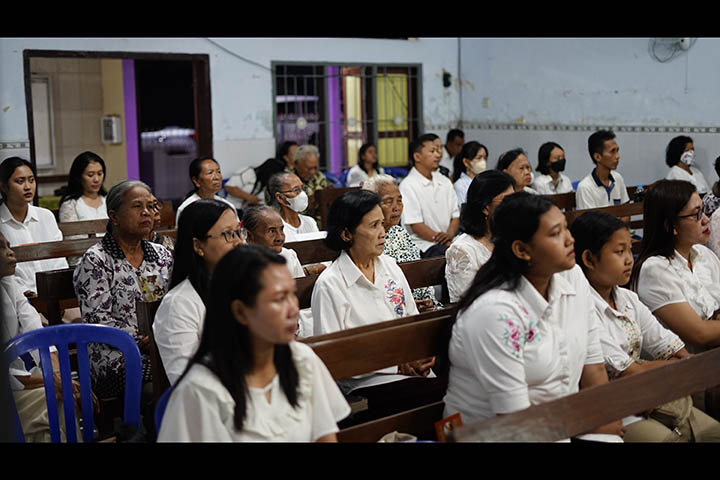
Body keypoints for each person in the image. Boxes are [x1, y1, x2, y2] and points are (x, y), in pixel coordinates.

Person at [442, 192, 624, 442]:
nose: (570, 240)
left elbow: (593, 366)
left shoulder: (573, 278)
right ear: (522, 250)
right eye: (555, 233)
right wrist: (589, 426)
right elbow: (516, 420)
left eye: (566, 229)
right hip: (492, 434)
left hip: (560, 425)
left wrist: (602, 419)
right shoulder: (495, 313)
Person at [157, 245, 351, 442]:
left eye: (292, 294)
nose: (293, 309)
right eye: (279, 298)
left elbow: (325, 437)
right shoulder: (201, 391)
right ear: (241, 312)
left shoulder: (302, 360)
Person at [571, 210, 720, 442]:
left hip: (652, 394)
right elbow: (631, 373)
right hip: (616, 407)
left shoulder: (627, 299)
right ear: (589, 259)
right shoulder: (582, 307)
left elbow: (676, 350)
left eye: (630, 249)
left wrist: (660, 367)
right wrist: (664, 367)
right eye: (619, 252)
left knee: (713, 433)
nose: (630, 259)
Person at [310, 190, 442, 418]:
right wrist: (396, 365)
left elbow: (412, 322)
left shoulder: (390, 267)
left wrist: (422, 355)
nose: (383, 233)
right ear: (346, 234)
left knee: (451, 391)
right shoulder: (331, 284)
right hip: (366, 380)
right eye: (373, 226)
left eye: (382, 224)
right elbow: (333, 358)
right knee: (434, 399)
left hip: (409, 371)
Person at [73, 180, 173, 404]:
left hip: (161, 348)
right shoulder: (96, 260)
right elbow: (97, 322)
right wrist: (141, 342)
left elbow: (173, 304)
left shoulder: (162, 255)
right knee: (161, 388)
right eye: (137, 207)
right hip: (116, 358)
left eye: (151, 206)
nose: (147, 213)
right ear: (114, 216)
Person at [1, 231, 92, 441]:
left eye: (9, 245)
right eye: (2, 247)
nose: (11, 253)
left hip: (17, 384)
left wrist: (60, 378)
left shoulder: (9, 284)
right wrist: (48, 381)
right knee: (51, 401)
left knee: (60, 396)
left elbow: (37, 334)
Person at [153, 199, 242, 385]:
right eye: (228, 234)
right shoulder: (178, 305)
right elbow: (187, 382)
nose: (239, 242)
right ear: (198, 246)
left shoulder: (246, 287)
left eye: (238, 232)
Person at [630, 179, 720, 351]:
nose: (706, 220)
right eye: (697, 214)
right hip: (686, 369)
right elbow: (700, 334)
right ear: (671, 226)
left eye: (703, 210)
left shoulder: (703, 254)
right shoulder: (655, 270)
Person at [362, 174, 437, 311]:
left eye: (399, 201)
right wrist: (407, 304)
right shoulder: (365, 240)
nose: (396, 207)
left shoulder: (399, 232)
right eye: (388, 201)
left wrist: (428, 300)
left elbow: (420, 272)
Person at [0, 157, 67, 295]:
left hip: (56, 294)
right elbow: (5, 275)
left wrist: (59, 291)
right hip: (19, 298)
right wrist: (27, 292)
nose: (28, 186)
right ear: (3, 186)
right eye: (20, 181)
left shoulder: (45, 216)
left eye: (31, 180)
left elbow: (59, 259)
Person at [445, 171, 515, 303]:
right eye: (506, 201)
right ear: (485, 207)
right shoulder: (462, 250)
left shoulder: (513, 240)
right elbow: (468, 302)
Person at [399, 134, 460, 258]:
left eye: (438, 150)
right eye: (432, 151)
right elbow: (416, 225)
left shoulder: (444, 181)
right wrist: (444, 241)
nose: (438, 155)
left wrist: (449, 235)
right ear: (417, 156)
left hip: (449, 240)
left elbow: (455, 216)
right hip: (424, 244)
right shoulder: (408, 185)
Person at [575, 130, 630, 209]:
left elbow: (626, 212)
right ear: (597, 157)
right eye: (612, 151)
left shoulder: (618, 178)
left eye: (617, 150)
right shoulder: (585, 187)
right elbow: (589, 220)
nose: (617, 156)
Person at [175, 156, 238, 226]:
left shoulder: (227, 205)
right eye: (210, 173)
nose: (217, 177)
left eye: (218, 172)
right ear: (196, 181)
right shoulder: (187, 208)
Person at [267, 172, 321, 242]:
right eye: (296, 190)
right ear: (280, 197)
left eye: (303, 188)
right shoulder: (274, 227)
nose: (303, 194)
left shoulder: (310, 222)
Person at [58, 151, 108, 224]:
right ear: (79, 177)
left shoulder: (108, 200)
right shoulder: (71, 204)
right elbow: (72, 234)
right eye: (90, 175)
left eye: (100, 174)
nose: (96, 179)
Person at [292, 144, 328, 222]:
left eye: (315, 168)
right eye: (308, 168)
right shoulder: (287, 181)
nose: (312, 172)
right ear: (296, 164)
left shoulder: (319, 177)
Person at [451, 141, 488, 207]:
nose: (483, 161)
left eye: (485, 158)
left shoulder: (486, 181)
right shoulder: (460, 185)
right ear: (466, 162)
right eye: (478, 158)